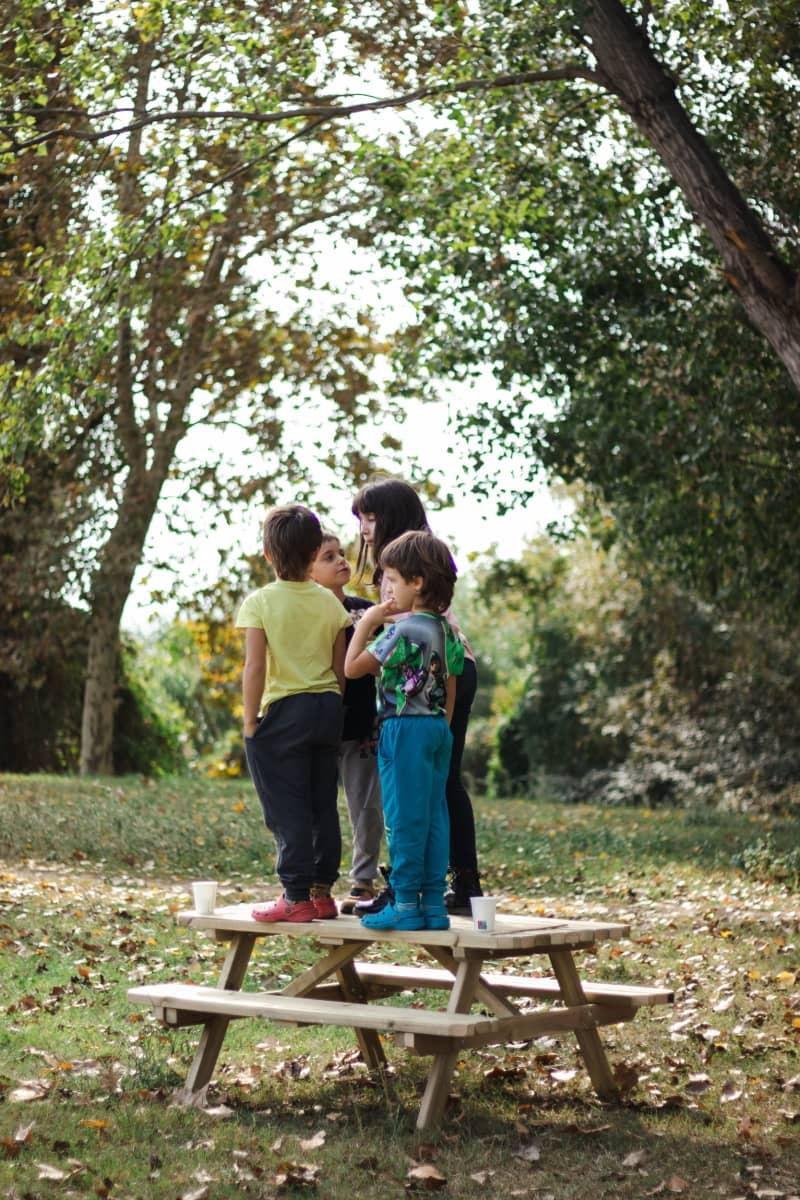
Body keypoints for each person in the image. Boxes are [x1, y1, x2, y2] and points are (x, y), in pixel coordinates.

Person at [351, 477, 483, 914]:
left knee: (426, 789)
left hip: (436, 682)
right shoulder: (408, 563)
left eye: (370, 518)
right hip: (446, 676)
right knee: (437, 785)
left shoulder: (413, 563)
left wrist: (366, 623)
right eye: (361, 520)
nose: (364, 529)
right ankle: (449, 886)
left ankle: (425, 888)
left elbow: (402, 637)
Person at [236, 504, 351, 923]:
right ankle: (322, 893)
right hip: (327, 707)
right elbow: (340, 667)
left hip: (287, 709)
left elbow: (255, 666)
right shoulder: (330, 604)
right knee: (322, 801)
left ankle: (295, 894)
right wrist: (333, 704)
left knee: (286, 805)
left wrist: (251, 723)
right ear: (311, 555)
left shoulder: (261, 602)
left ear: (268, 553)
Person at [310, 531, 383, 913]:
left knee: (366, 806)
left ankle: (363, 880)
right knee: (317, 807)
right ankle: (316, 882)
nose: (342, 560)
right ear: (308, 570)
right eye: (328, 556)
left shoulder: (365, 611)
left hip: (361, 727)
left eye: (342, 553)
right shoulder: (307, 613)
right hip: (318, 724)